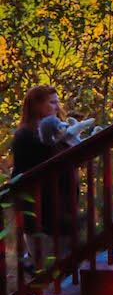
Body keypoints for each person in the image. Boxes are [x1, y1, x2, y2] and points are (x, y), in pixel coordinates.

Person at [11, 86, 80, 266]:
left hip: (65, 214)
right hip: (42, 218)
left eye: (58, 102)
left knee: (69, 269)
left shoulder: (60, 133)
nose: (58, 107)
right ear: (37, 106)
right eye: (52, 102)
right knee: (51, 270)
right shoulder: (26, 136)